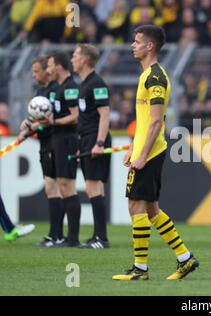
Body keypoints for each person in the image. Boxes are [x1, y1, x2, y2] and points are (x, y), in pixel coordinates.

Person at [112, 25, 199, 281]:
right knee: (150, 210)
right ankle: (185, 258)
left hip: (150, 152)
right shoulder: (147, 75)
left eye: (137, 41)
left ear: (150, 46)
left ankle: (140, 269)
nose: (132, 45)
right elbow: (143, 120)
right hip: (143, 149)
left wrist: (142, 155)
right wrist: (131, 147)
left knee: (135, 206)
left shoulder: (156, 78)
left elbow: (156, 121)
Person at [19, 55, 65, 247]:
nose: (34, 74)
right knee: (50, 188)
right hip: (45, 143)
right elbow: (38, 117)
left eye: (36, 71)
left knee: (55, 188)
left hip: (55, 141)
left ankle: (57, 235)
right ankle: (54, 234)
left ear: (47, 70)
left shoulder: (55, 89)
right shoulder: (40, 90)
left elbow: (49, 119)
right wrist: (28, 122)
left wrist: (30, 129)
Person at [38, 51, 82, 248]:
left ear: (58, 67)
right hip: (58, 139)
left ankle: (73, 238)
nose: (47, 70)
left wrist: (53, 121)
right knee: (62, 187)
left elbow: (75, 116)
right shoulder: (62, 87)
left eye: (49, 66)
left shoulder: (71, 87)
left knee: (67, 186)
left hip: (67, 140)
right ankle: (65, 237)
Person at [71, 44, 111, 249]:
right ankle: (98, 236)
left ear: (84, 60)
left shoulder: (96, 83)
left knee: (93, 186)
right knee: (93, 187)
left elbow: (105, 114)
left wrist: (99, 143)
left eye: (75, 56)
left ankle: (101, 238)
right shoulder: (84, 84)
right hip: (87, 138)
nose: (72, 60)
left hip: (96, 138)